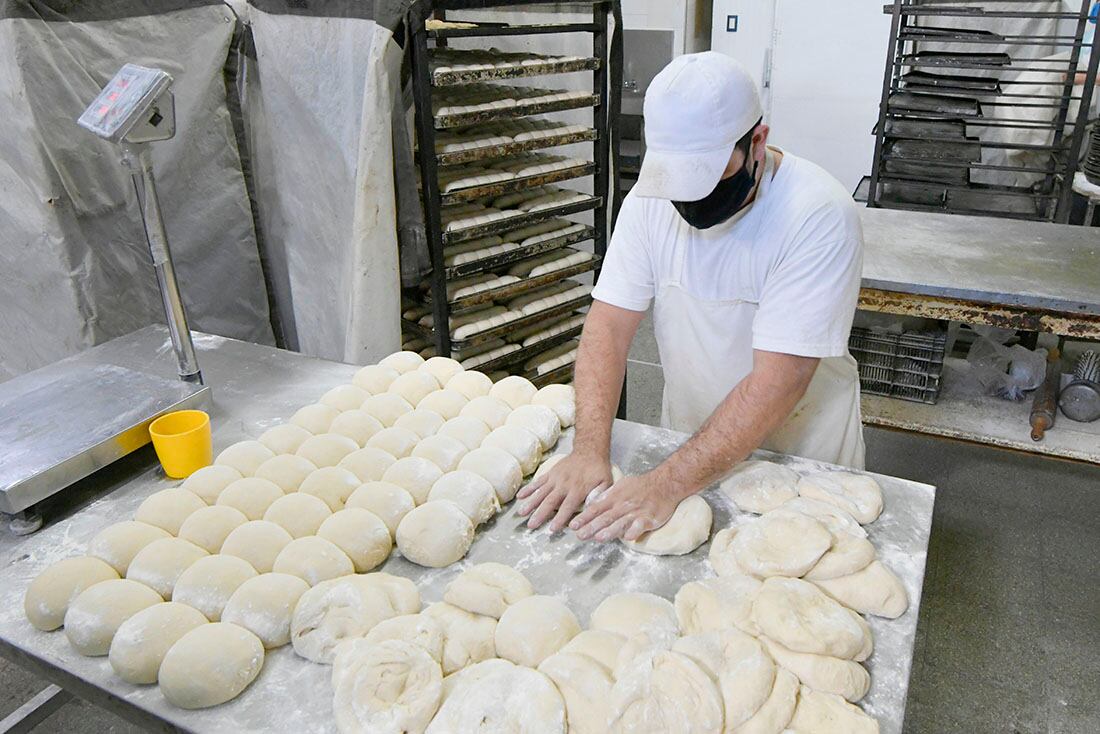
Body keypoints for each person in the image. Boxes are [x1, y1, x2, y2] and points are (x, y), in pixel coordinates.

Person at [517, 52, 865, 544]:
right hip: (694, 442)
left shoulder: (817, 216)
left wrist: (665, 483)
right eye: (679, 182)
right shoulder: (649, 200)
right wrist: (589, 449)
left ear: (757, 142)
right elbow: (609, 326)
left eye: (708, 178)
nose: (690, 202)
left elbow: (779, 381)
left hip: (802, 455)